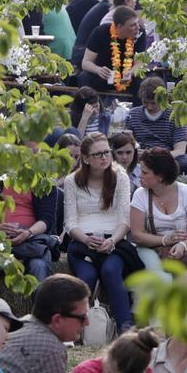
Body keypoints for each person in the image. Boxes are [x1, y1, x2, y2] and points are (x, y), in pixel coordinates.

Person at [63, 133, 141, 331]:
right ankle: (70, 328)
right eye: (98, 154)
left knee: (111, 270)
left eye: (106, 152)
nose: (104, 157)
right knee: (86, 276)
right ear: (86, 158)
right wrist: (86, 240)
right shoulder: (72, 181)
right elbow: (70, 222)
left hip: (113, 240)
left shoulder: (121, 178)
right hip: (83, 241)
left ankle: (126, 326)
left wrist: (113, 241)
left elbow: (125, 219)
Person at [128, 148, 187, 281]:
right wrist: (165, 240)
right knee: (161, 280)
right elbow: (137, 235)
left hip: (185, 246)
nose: (139, 175)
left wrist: (183, 245)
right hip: (150, 247)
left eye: (144, 172)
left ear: (160, 176)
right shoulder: (140, 195)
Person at [0, 183, 58, 295]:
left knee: (39, 266)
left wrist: (28, 232)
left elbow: (47, 220)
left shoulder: (43, 182)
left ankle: (41, 312)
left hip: (32, 240)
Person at [126, 78, 187, 182]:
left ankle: (159, 177)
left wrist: (154, 155)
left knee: (186, 160)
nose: (149, 107)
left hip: (166, 157)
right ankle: (178, 179)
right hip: (140, 158)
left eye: (153, 103)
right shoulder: (132, 114)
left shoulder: (174, 116)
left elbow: (180, 150)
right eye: (145, 102)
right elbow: (127, 143)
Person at [78, 6, 147, 97]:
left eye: (137, 23)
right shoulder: (100, 32)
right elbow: (85, 63)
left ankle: (136, 110)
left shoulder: (140, 33)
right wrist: (98, 70)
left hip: (127, 78)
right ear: (119, 26)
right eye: (132, 25)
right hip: (105, 77)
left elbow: (140, 64)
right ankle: (89, 107)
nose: (137, 27)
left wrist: (130, 72)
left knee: (142, 80)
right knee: (84, 77)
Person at [71, 0, 130, 68]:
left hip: (78, 50)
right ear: (126, 0)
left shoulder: (101, 6)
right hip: (84, 53)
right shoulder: (111, 12)